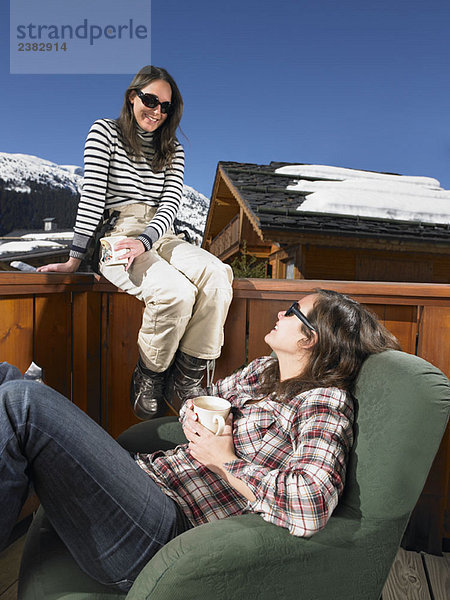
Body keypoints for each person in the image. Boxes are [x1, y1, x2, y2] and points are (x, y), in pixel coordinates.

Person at [0, 290, 400, 592]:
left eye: (293, 311)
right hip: (146, 481)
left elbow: (310, 502)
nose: (281, 312)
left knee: (23, 401)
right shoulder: (265, 371)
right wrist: (193, 413)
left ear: (310, 338)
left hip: (164, 531)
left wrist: (224, 460)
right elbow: (210, 396)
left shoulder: (322, 402)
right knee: (6, 377)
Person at [37, 65, 233, 419]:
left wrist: (147, 239)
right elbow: (93, 196)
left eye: (166, 106)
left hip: (161, 232)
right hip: (119, 234)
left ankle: (187, 377)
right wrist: (74, 258)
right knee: (175, 293)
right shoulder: (105, 132)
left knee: (218, 275)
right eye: (150, 100)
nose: (157, 111)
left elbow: (171, 204)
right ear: (132, 97)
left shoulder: (172, 149)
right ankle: (150, 375)